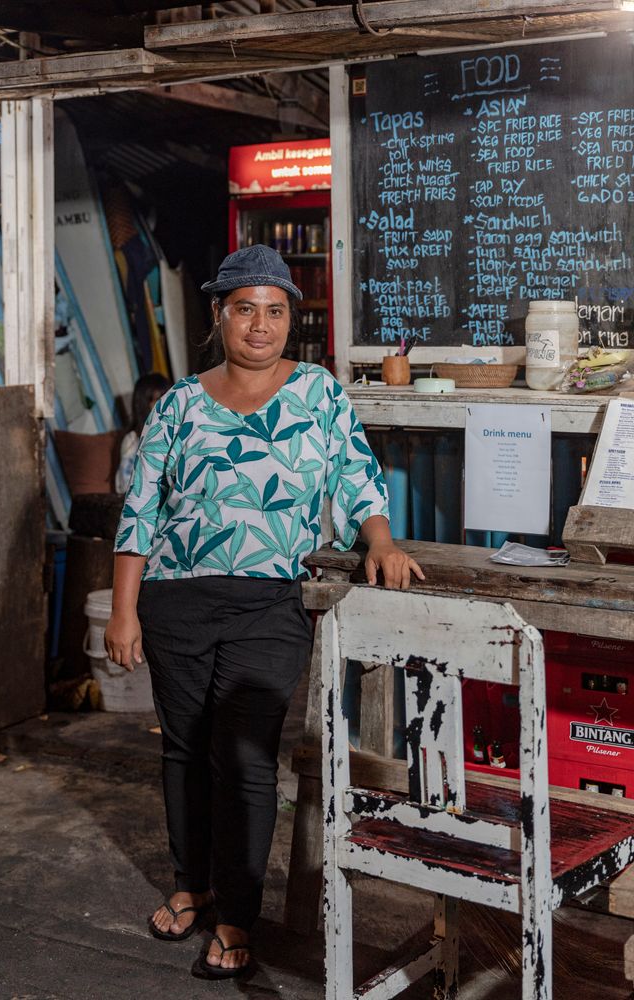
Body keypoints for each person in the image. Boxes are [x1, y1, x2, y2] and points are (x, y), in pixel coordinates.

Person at [104, 245, 424, 980]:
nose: (260, 325)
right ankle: (191, 883)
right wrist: (124, 610)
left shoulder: (318, 392)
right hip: (176, 599)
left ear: (290, 320)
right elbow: (141, 510)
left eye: (275, 311)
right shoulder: (179, 403)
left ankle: (236, 916)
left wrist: (380, 540)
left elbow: (355, 474)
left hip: (269, 603)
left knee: (246, 757)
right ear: (219, 315)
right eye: (245, 309)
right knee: (185, 750)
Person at [114, 372, 170, 493]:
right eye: (159, 399)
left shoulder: (174, 431)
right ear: (144, 404)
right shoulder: (132, 441)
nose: (167, 404)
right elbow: (127, 485)